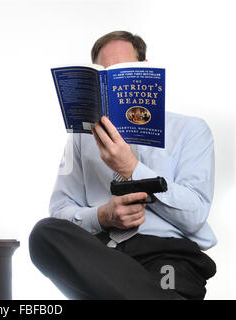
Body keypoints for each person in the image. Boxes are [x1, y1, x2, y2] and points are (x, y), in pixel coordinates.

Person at [29, 31, 217, 300]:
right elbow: (59, 212)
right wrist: (102, 216)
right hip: (102, 259)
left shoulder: (191, 130)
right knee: (43, 233)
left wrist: (130, 166)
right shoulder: (80, 139)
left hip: (166, 257)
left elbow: (196, 214)